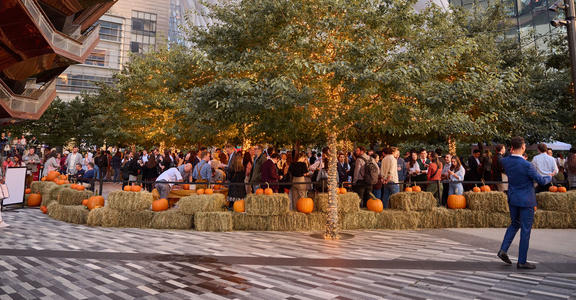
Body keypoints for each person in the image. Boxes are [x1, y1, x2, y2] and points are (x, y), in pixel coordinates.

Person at [498, 136, 552, 269]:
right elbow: (541, 180)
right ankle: (522, 261)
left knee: (514, 224)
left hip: (513, 198)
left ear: (511, 147)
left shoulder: (506, 162)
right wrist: (549, 176)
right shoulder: (528, 165)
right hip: (526, 200)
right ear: (523, 147)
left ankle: (503, 249)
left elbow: (500, 157)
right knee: (525, 230)